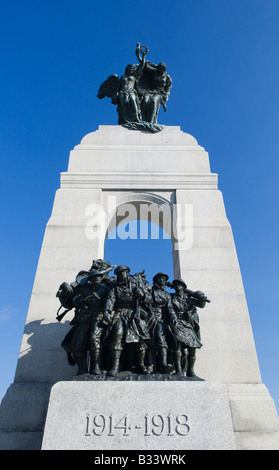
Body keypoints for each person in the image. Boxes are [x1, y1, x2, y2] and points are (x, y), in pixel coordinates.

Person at [102, 265, 151, 376]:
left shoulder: (136, 284)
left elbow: (149, 299)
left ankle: (141, 364)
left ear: (127, 272)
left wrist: (142, 295)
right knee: (117, 335)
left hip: (134, 313)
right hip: (121, 313)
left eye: (123, 272)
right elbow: (110, 300)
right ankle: (115, 366)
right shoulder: (114, 287)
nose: (121, 275)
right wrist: (107, 311)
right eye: (118, 274)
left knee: (141, 338)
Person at [60, 270, 109, 375]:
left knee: (94, 339)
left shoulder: (106, 289)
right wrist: (64, 285)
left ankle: (96, 367)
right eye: (94, 277)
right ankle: (82, 369)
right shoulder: (84, 289)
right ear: (90, 279)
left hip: (99, 315)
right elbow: (69, 295)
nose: (96, 279)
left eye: (98, 277)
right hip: (86, 316)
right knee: (78, 342)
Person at [170, 279, 206, 376]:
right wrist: (173, 318)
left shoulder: (189, 298)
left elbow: (201, 305)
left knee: (192, 348)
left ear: (183, 287)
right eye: (176, 285)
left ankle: (191, 371)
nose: (177, 286)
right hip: (177, 323)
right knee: (178, 347)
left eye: (179, 284)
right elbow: (169, 309)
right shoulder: (171, 297)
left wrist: (202, 297)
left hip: (188, 324)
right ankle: (178, 370)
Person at [146, 272, 178, 374]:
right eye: (160, 278)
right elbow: (145, 301)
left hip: (161, 318)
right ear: (156, 279)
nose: (163, 280)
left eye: (164, 278)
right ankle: (150, 365)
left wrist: (173, 317)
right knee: (149, 341)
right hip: (149, 317)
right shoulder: (150, 290)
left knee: (161, 338)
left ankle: (164, 364)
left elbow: (170, 308)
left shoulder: (166, 294)